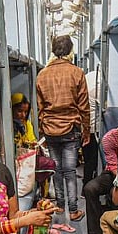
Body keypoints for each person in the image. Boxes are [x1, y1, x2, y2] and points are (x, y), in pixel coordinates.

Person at [36, 34, 89, 221]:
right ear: (70, 51)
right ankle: (73, 210)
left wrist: (42, 129)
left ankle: (59, 206)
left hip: (50, 129)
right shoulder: (77, 72)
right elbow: (84, 106)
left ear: (53, 50)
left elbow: (40, 108)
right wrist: (87, 131)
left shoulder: (41, 74)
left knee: (56, 168)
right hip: (70, 128)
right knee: (70, 170)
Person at [85, 113, 118, 234]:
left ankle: (111, 227)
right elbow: (113, 165)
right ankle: (99, 230)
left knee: (115, 195)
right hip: (115, 172)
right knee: (90, 188)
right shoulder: (110, 138)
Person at [82, 68, 102, 186]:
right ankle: (88, 186)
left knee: (88, 158)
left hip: (85, 125)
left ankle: (86, 185)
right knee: (92, 160)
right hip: (94, 127)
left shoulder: (89, 76)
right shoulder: (99, 82)